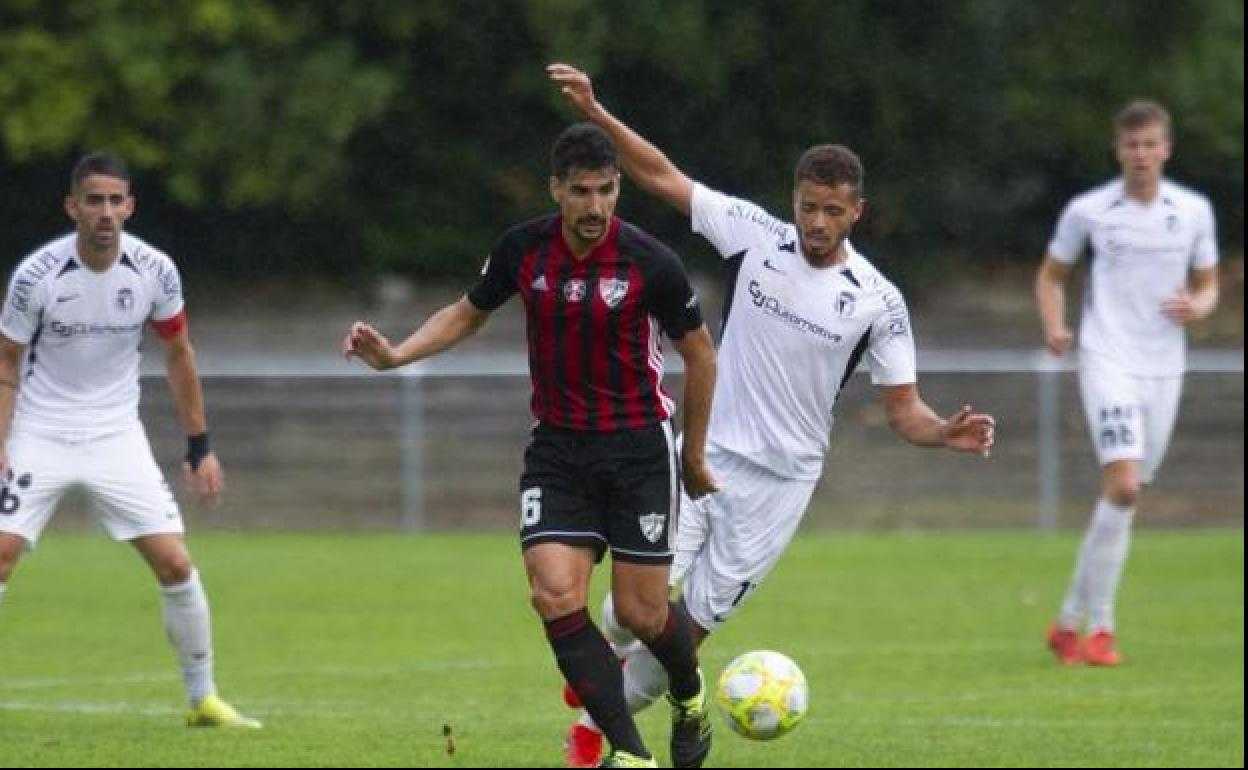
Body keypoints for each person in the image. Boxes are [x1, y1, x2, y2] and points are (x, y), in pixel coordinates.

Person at [547, 63, 996, 766]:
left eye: (833, 211)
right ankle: (609, 653)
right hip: (701, 455)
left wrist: (944, 433)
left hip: (778, 489)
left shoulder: (879, 302)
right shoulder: (756, 235)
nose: (817, 223)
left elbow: (904, 410)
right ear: (795, 200)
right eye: (808, 207)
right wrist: (599, 115)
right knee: (634, 604)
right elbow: (664, 177)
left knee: (682, 639)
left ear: (857, 213)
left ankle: (595, 734)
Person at [343, 123, 719, 770]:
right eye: (581, 192)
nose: (595, 206)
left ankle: (689, 697)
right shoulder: (524, 250)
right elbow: (468, 311)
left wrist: (693, 453)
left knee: (643, 613)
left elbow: (700, 353)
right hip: (559, 451)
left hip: (637, 450)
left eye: (606, 191)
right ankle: (631, 755)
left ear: (619, 188)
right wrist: (398, 354)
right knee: (554, 595)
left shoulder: (650, 261)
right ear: (557, 191)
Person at [0, 152, 261, 728]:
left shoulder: (155, 271)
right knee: (1, 555)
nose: (105, 212)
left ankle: (204, 699)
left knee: (174, 564)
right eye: (93, 200)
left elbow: (178, 353)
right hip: (39, 431)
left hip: (116, 435)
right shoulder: (37, 276)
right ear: (73, 207)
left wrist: (199, 445)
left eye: (115, 201)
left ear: (130, 206)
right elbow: (7, 363)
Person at [1035, 100, 1219, 667]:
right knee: (1126, 487)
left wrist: (1199, 304)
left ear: (1166, 148)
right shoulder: (1090, 211)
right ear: (1118, 150)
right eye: (1131, 145)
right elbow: (1050, 276)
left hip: (1165, 366)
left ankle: (1066, 623)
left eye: (1151, 144)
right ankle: (1102, 630)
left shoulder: (1191, 211)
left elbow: (1209, 284)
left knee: (1124, 496)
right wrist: (1055, 324)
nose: (1141, 154)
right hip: (1106, 357)